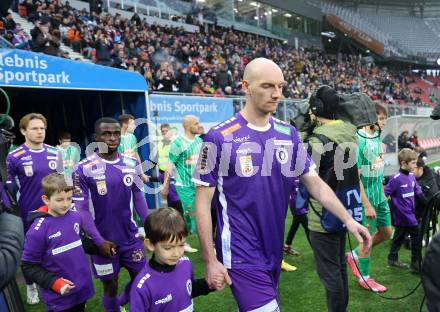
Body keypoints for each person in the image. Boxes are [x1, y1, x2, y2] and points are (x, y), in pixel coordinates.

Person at [193, 59, 371, 311]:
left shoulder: (288, 134)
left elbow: (314, 182)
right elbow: (201, 204)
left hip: (274, 249)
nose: (277, 94)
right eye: (267, 86)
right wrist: (210, 259)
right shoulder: (217, 137)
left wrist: (349, 220)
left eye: (280, 86)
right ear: (246, 86)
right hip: (240, 252)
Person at [72, 117, 149, 311]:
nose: (112, 138)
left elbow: (138, 197)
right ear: (96, 137)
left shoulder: (131, 163)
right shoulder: (83, 169)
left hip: (131, 238)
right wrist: (99, 241)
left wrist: (149, 226)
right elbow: (81, 210)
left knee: (143, 280)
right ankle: (116, 304)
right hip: (103, 242)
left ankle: (123, 300)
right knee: (110, 286)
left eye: (116, 133)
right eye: (106, 134)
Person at [306, 86, 366, 311]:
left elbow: (305, 174)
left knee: (331, 276)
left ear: (316, 108)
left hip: (323, 215)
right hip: (347, 210)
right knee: (339, 268)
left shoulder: (317, 139)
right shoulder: (349, 131)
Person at [21, 173, 97, 312]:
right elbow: (28, 266)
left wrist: (100, 247)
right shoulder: (37, 230)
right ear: (46, 199)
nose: (66, 204)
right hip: (59, 297)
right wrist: (56, 283)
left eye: (69, 198)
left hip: (81, 290)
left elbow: (80, 241)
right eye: (60, 200)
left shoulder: (75, 216)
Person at [6, 113, 60, 305]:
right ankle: (30, 286)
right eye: (34, 128)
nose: (39, 132)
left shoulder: (55, 152)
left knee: (55, 251)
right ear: (23, 131)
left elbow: (61, 182)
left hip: (54, 214)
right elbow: (9, 190)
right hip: (28, 216)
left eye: (42, 128)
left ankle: (57, 284)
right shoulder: (14, 157)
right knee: (30, 255)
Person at [130, 208, 220, 311]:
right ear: (150, 245)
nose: (177, 253)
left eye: (181, 245)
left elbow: (187, 289)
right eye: (168, 248)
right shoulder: (143, 286)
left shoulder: (185, 263)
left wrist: (209, 284)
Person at [346, 103, 391, 293]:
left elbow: (378, 167)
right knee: (366, 239)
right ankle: (364, 277)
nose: (383, 123)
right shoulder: (359, 140)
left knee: (387, 232)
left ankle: (355, 255)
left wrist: (382, 191)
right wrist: (366, 204)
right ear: (370, 117)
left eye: (384, 119)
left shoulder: (378, 137)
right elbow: (355, 176)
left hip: (379, 196)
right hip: (366, 199)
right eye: (380, 118)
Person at [385, 148, 426, 273]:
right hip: (403, 214)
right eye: (413, 163)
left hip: (410, 212)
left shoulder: (412, 177)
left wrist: (428, 203)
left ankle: (392, 258)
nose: (415, 165)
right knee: (416, 235)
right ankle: (416, 262)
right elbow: (385, 194)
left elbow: (418, 192)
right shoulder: (396, 178)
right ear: (404, 163)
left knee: (399, 235)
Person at [169, 115, 203, 253]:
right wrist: (165, 186)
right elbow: (170, 164)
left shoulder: (200, 141)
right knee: (189, 215)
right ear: (188, 126)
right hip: (184, 186)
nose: (199, 125)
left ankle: (207, 244)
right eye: (196, 123)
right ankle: (182, 240)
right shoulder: (177, 143)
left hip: (199, 185)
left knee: (201, 214)